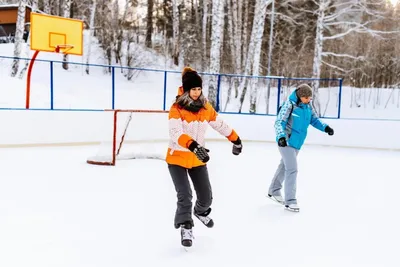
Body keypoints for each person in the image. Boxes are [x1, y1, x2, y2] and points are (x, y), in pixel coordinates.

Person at [166, 67, 243, 247]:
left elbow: (219, 124)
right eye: (193, 89)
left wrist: (235, 139)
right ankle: (186, 228)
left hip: (197, 158)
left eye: (199, 89)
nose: (196, 92)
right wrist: (193, 145)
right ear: (186, 89)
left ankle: (200, 212)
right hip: (177, 157)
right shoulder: (176, 108)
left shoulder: (205, 107)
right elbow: (176, 132)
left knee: (206, 197)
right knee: (185, 195)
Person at [267, 84, 334, 212]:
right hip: (286, 142)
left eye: (310, 98)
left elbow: (314, 120)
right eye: (307, 98)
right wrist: (281, 136)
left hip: (297, 143)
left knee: (284, 166)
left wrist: (325, 127)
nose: (309, 100)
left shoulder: (307, 106)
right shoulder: (289, 105)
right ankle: (290, 201)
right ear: (301, 96)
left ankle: (274, 190)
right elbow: (279, 122)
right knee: (292, 169)